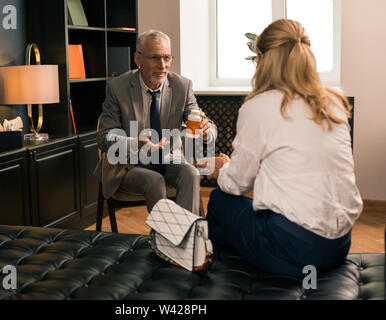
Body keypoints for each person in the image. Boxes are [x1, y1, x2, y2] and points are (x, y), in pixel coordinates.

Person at [198, 19, 363, 277]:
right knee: (243, 219)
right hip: (339, 245)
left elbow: (237, 185)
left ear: (263, 59)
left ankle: (200, 255)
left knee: (221, 198)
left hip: (292, 253)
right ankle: (212, 250)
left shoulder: (260, 106)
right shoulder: (332, 104)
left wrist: (221, 168)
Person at [95, 29, 216, 216]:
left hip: (169, 161)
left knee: (190, 173)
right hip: (129, 165)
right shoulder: (117, 87)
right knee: (154, 180)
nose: (162, 65)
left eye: (167, 58)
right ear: (138, 59)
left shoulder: (182, 86)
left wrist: (207, 131)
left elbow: (199, 119)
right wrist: (136, 143)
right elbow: (105, 138)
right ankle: (168, 240)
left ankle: (183, 238)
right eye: (155, 58)